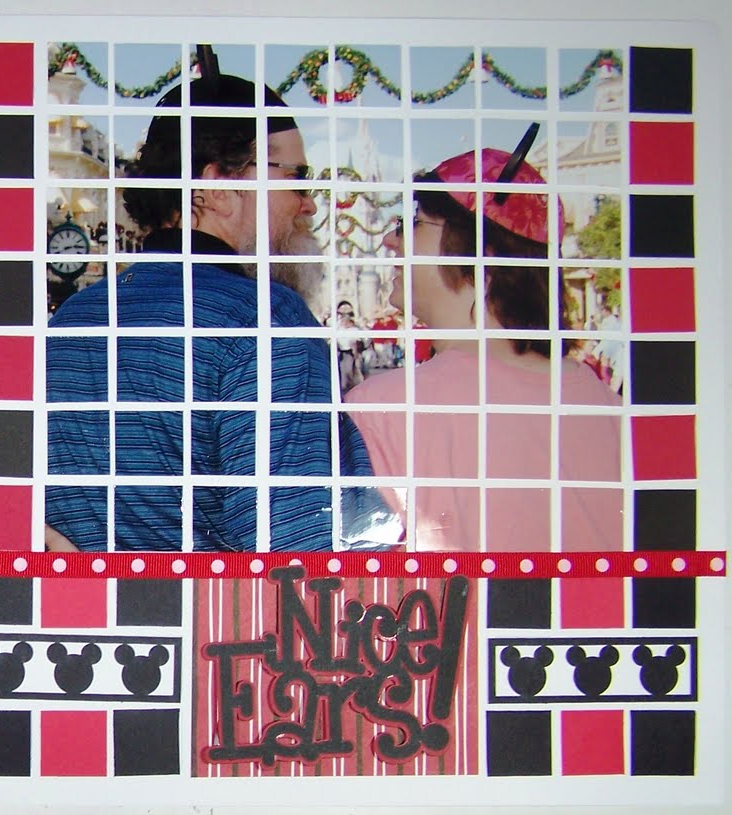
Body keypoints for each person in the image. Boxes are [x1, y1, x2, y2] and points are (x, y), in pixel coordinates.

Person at [43, 56, 373, 553]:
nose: (307, 203)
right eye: (297, 177)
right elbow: (298, 551)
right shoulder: (264, 321)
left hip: (85, 604)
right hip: (218, 607)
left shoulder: (72, 320)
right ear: (220, 186)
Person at [345, 144, 622, 552]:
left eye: (413, 223)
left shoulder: (384, 410)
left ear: (481, 255)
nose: (390, 239)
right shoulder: (611, 409)